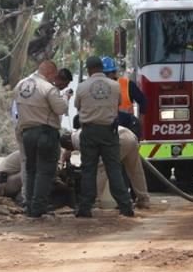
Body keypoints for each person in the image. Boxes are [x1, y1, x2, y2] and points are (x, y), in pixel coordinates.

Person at [73, 56, 134, 217]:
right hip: (109, 132)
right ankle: (125, 206)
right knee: (114, 169)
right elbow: (118, 103)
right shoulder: (115, 86)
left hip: (89, 132)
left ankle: (86, 208)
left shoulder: (82, 87)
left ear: (89, 69)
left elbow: (77, 106)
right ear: (101, 68)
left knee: (89, 170)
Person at [13, 60, 68, 217]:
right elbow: (61, 109)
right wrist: (64, 98)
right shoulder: (48, 88)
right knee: (45, 171)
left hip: (27, 133)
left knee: (30, 170)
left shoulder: (21, 85)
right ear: (50, 73)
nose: (54, 79)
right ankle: (39, 207)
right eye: (54, 75)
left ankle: (29, 205)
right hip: (45, 132)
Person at [61, 123, 150, 210]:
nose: (71, 149)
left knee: (101, 167)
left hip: (119, 140)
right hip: (130, 136)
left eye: (69, 147)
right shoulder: (79, 133)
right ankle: (143, 199)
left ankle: (94, 201)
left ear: (69, 142)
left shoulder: (78, 140)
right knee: (135, 170)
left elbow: (90, 161)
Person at [101, 56, 147, 139]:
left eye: (107, 74)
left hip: (126, 129)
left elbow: (143, 101)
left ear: (113, 73)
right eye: (103, 74)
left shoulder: (127, 85)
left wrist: (140, 122)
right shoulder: (96, 88)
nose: (105, 77)